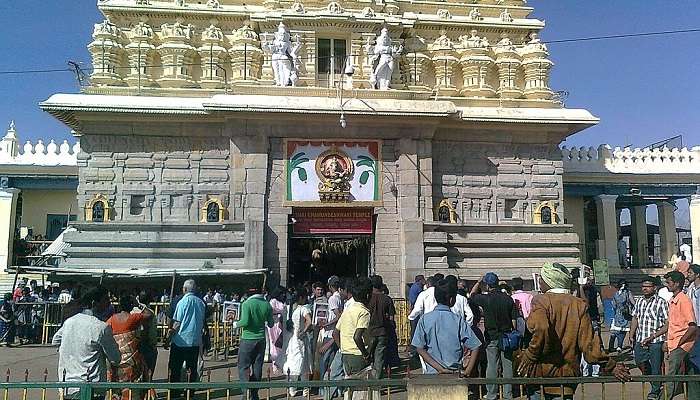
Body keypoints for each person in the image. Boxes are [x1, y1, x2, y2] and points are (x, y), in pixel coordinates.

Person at [518, 263, 629, 399]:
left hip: (541, 375)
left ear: (549, 281)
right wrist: (611, 366)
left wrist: (531, 354)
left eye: (542, 277)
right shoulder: (578, 304)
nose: (540, 281)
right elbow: (589, 345)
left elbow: (541, 328)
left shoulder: (541, 301)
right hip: (567, 377)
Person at [52, 286, 121, 400]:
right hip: (92, 387)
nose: (109, 304)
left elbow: (55, 341)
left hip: (68, 385)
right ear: (94, 303)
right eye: (106, 300)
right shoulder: (101, 327)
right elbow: (115, 358)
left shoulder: (70, 322)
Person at [412, 278, 481, 375]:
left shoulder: (424, 319)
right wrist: (467, 371)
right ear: (452, 299)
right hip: (455, 373)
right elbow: (475, 346)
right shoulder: (458, 320)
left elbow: (419, 348)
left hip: (432, 373)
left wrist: (439, 368)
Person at [469, 272, 518, 400]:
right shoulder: (508, 299)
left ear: (487, 285)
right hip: (506, 336)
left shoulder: (485, 299)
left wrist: (478, 282)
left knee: (492, 365)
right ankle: (508, 394)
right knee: (507, 365)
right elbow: (514, 321)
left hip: (492, 336)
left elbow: (472, 295)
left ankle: (491, 393)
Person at [629, 276, 669, 400]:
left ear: (654, 288)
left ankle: (655, 390)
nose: (644, 289)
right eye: (643, 287)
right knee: (639, 361)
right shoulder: (639, 301)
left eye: (647, 286)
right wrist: (631, 334)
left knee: (656, 366)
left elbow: (668, 323)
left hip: (656, 341)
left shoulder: (661, 302)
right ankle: (655, 382)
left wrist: (655, 336)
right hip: (641, 339)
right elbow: (635, 318)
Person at [107, 295, 153, 400]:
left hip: (117, 362)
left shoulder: (111, 320)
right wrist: (139, 305)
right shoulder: (133, 318)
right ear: (131, 306)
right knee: (133, 391)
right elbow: (150, 315)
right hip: (132, 363)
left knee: (118, 391)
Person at [165, 279, 206, 398]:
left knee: (175, 368)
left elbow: (177, 323)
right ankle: (190, 392)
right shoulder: (201, 302)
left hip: (180, 341)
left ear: (185, 289)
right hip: (194, 341)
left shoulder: (182, 302)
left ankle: (174, 392)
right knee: (192, 369)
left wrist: (169, 337)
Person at [333, 277, 373, 395]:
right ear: (366, 296)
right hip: (358, 355)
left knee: (350, 387)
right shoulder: (364, 312)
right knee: (361, 390)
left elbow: (335, 333)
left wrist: (342, 347)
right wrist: (365, 354)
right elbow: (357, 337)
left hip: (346, 354)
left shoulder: (347, 310)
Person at [233, 286, 273, 400]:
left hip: (248, 338)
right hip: (261, 339)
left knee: (244, 366)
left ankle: (245, 393)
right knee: (257, 366)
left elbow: (245, 321)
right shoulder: (267, 304)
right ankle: (254, 394)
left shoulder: (247, 304)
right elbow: (270, 324)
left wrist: (235, 324)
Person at [663, 270, 699, 398]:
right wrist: (655, 337)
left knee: (671, 376)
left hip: (681, 345)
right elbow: (671, 325)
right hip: (676, 343)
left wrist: (680, 343)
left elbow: (692, 327)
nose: (666, 285)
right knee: (690, 374)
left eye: (668, 282)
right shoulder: (673, 300)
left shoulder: (683, 300)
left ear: (677, 284)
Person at [283, 287, 313, 397]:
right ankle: (306, 389)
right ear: (301, 298)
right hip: (300, 340)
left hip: (289, 341)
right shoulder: (302, 309)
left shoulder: (286, 308)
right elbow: (309, 321)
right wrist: (304, 331)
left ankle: (292, 388)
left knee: (292, 362)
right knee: (304, 363)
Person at [367, 275, 395, 379]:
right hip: (382, 331)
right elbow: (391, 318)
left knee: (367, 358)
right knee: (379, 360)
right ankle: (376, 383)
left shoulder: (367, 298)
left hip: (369, 332)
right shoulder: (387, 299)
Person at [133, 290, 158, 382]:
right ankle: (147, 391)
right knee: (148, 374)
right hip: (147, 345)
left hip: (135, 346)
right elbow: (153, 333)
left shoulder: (132, 312)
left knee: (136, 375)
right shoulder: (150, 313)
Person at [609, 279, 634, 353]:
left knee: (623, 332)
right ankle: (618, 346)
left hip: (622, 314)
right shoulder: (621, 293)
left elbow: (614, 305)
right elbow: (614, 304)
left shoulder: (620, 293)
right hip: (622, 314)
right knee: (620, 332)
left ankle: (620, 346)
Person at [267, 288, 287, 374]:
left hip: (280, 322)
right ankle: (275, 363)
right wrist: (280, 312)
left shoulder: (281, 301)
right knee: (274, 342)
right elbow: (271, 310)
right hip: (274, 322)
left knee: (280, 343)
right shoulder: (273, 301)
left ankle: (280, 362)